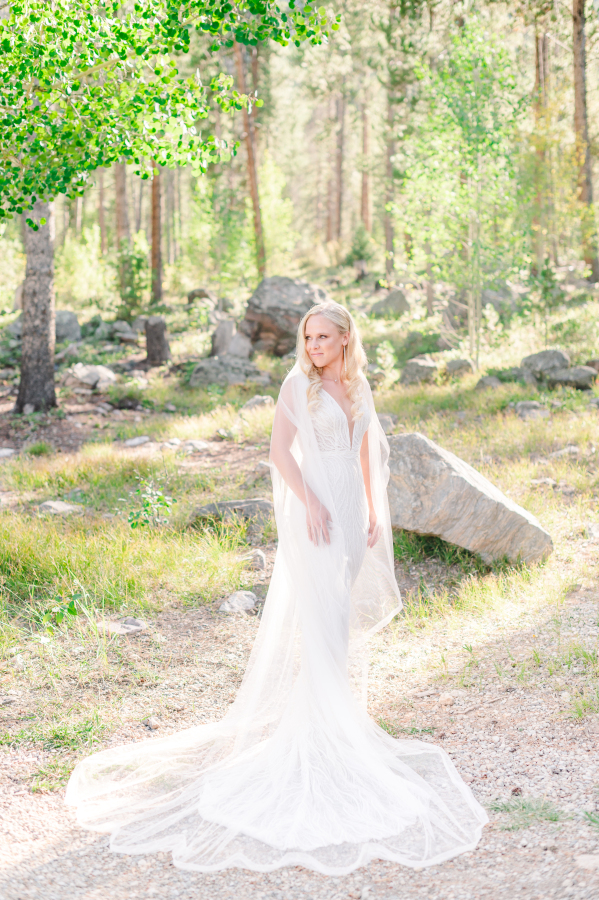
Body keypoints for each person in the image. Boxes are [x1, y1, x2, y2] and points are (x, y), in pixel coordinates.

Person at [66, 301, 487, 874]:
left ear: (344, 340)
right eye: (307, 337)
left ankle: (337, 730)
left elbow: (366, 448)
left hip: (350, 506)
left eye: (322, 338)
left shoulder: (357, 386)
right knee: (322, 619)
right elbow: (277, 453)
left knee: (337, 622)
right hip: (314, 514)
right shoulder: (298, 385)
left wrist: (369, 509)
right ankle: (322, 743)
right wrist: (311, 501)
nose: (312, 346)